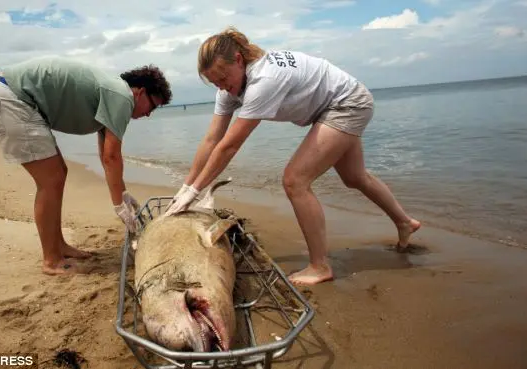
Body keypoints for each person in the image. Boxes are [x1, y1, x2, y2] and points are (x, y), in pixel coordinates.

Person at [164, 27, 420, 286]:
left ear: (239, 60)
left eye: (223, 78)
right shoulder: (228, 89)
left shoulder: (264, 80)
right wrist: (186, 187)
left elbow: (229, 146)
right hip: (336, 104)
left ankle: (320, 266)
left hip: (347, 104)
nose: (222, 87)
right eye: (215, 82)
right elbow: (211, 140)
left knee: (295, 181)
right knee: (354, 177)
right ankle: (404, 222)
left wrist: (196, 191)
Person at [0, 56, 172, 275]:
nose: (148, 114)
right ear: (139, 91)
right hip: (10, 97)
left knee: (58, 174)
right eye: (153, 106)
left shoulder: (111, 94)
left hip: (10, 95)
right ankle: (51, 260)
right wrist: (119, 206)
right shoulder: (122, 96)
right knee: (50, 180)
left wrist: (123, 195)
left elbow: (105, 155)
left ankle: (58, 246)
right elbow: (112, 157)